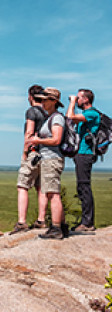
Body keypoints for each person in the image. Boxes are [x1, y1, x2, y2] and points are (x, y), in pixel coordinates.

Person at [28, 88, 67, 239]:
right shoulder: (51, 117)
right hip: (48, 159)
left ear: (54, 101)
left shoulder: (56, 118)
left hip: (52, 158)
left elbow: (56, 140)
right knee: (52, 193)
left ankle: (56, 229)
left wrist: (38, 140)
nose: (42, 102)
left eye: (45, 100)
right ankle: (62, 226)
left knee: (53, 194)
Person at [10, 85, 48, 235]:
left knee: (23, 186)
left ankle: (21, 222)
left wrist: (25, 152)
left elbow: (29, 132)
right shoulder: (48, 113)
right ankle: (41, 220)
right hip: (46, 154)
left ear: (31, 96)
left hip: (33, 153)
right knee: (41, 188)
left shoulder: (32, 111)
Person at [66, 89, 100, 232]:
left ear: (86, 99)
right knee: (81, 187)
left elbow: (69, 117)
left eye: (79, 97)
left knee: (84, 186)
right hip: (80, 153)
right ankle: (86, 221)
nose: (77, 100)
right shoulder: (86, 114)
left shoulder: (92, 113)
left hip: (85, 154)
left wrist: (72, 102)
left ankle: (87, 223)